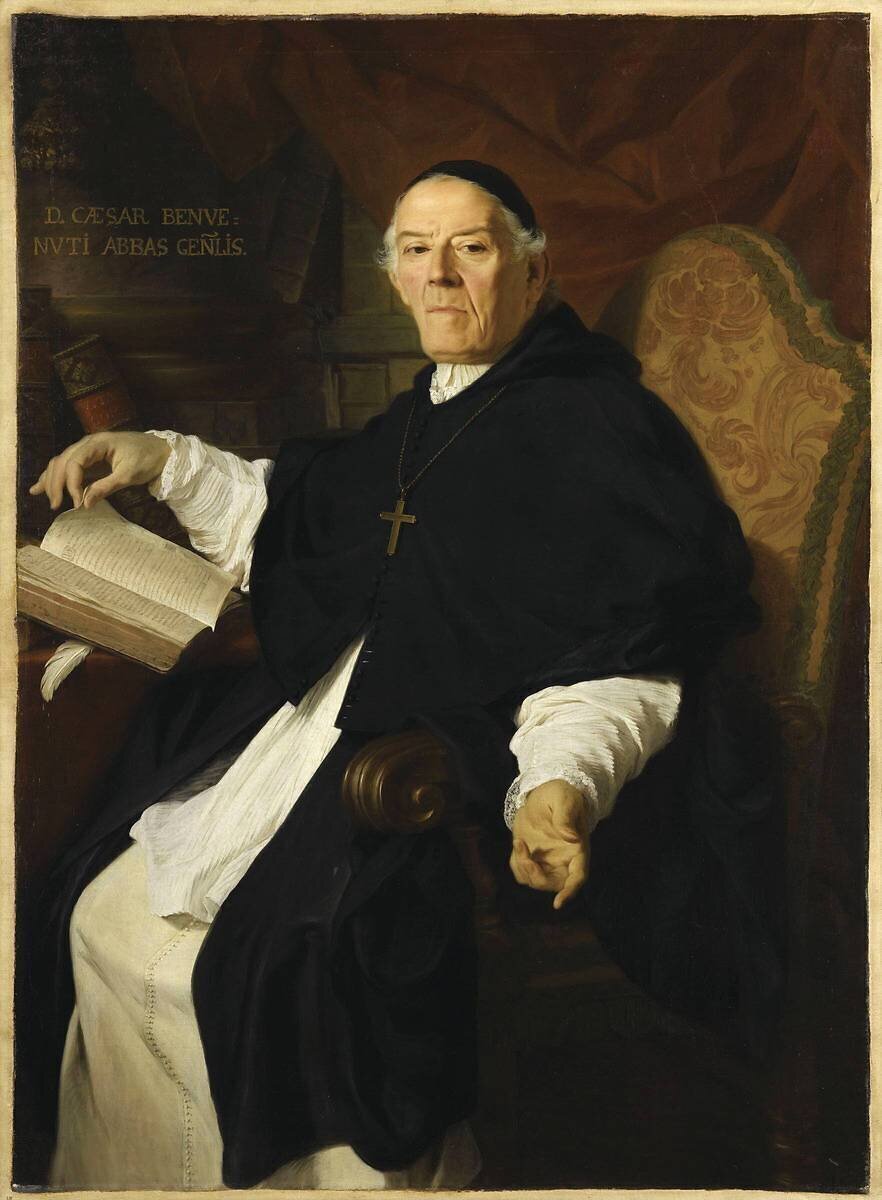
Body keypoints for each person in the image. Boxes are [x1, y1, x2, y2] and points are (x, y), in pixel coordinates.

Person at [23, 161, 779, 1190]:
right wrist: (159, 456)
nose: (441, 275)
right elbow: (318, 519)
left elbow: (623, 656)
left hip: (443, 764)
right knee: (98, 906)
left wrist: (558, 786)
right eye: (417, 251)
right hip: (332, 729)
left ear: (532, 271)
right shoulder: (433, 407)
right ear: (394, 276)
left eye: (471, 248)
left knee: (271, 969)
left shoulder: (596, 427)